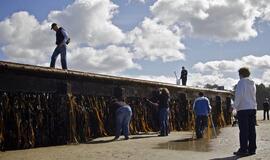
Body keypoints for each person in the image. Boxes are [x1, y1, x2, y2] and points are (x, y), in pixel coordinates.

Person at [233, 67, 257, 156]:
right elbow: (253, 96)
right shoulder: (252, 83)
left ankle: (243, 149)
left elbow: (239, 96)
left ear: (241, 74)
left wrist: (234, 107)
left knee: (243, 130)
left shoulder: (241, 82)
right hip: (252, 108)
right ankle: (252, 149)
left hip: (243, 109)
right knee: (252, 130)